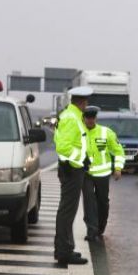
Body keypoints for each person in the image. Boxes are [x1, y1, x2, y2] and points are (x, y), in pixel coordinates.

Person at [54, 87, 91, 265]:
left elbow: (75, 143)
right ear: (81, 101)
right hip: (71, 170)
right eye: (86, 101)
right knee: (67, 211)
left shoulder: (72, 115)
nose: (87, 104)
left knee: (69, 211)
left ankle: (66, 248)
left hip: (72, 168)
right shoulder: (71, 117)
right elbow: (63, 147)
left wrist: (85, 158)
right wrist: (79, 160)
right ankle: (63, 251)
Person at [82, 106, 125, 242]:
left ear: (95, 118)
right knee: (89, 202)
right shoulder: (79, 133)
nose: (90, 121)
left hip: (102, 174)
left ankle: (100, 227)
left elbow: (118, 151)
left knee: (102, 203)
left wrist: (118, 168)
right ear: (84, 118)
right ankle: (91, 231)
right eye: (87, 118)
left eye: (92, 118)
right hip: (86, 174)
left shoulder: (106, 133)